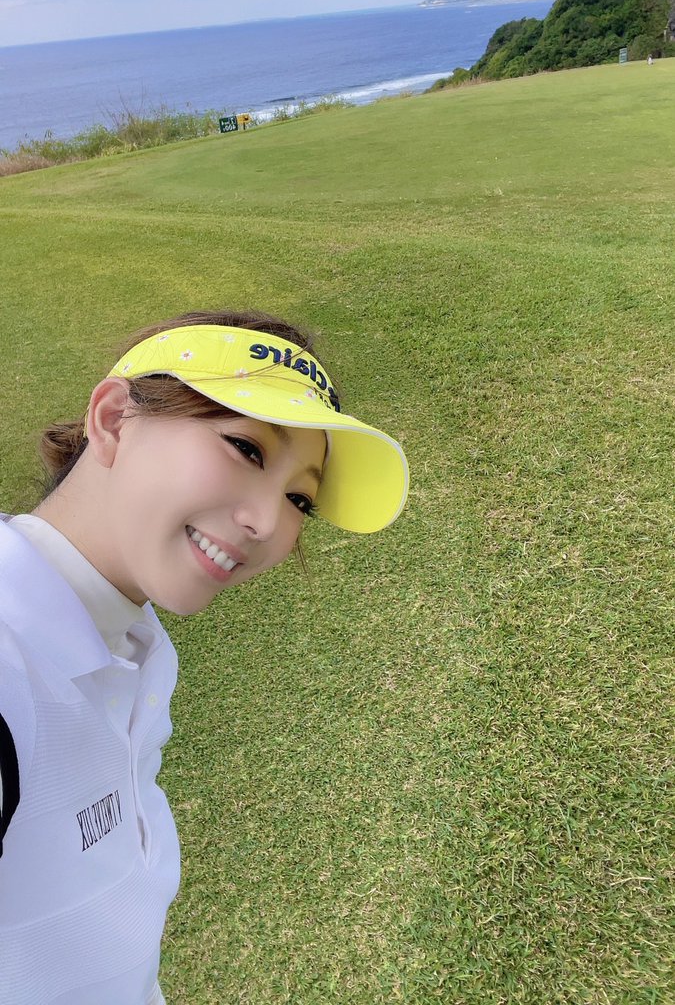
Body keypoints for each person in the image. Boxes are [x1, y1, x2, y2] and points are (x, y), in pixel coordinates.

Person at [0, 308, 408, 1005]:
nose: (267, 523)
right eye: (246, 448)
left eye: (300, 499)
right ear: (113, 420)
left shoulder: (140, 649)